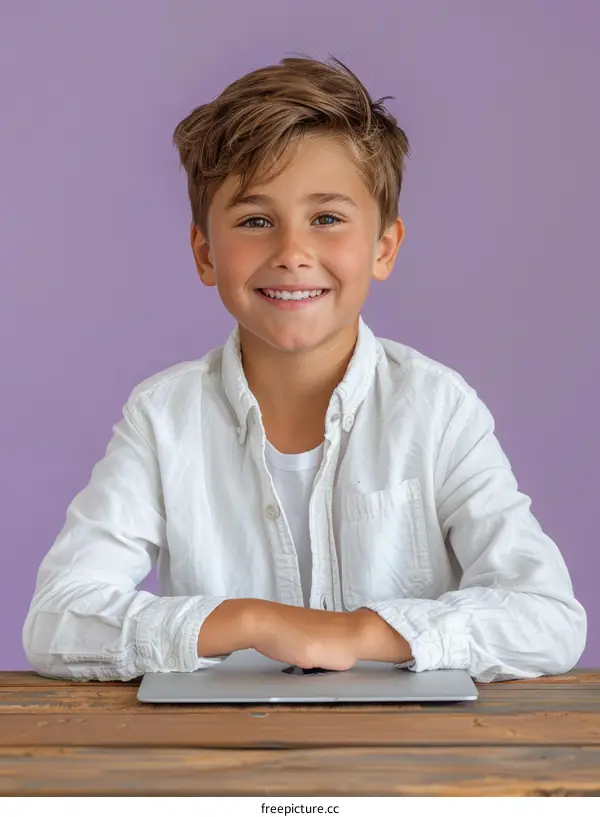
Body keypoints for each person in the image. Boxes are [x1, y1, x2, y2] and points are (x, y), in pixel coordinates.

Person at [22, 54, 586, 684]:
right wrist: (255, 621)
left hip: (412, 760)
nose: (292, 253)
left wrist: (358, 633)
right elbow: (57, 621)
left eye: (327, 219)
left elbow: (547, 617)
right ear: (205, 253)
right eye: (256, 221)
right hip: (222, 763)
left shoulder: (437, 408)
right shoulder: (163, 418)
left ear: (384, 248)